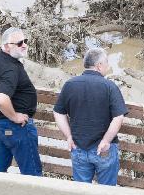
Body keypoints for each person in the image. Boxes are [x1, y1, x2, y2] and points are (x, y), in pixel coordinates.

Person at [53, 47, 128, 185]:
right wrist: (106, 141)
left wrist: (69, 136)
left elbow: (58, 112)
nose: (108, 66)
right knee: (107, 191)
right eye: (106, 62)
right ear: (99, 65)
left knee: (82, 191)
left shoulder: (70, 84)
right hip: (104, 149)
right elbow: (118, 117)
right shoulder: (109, 86)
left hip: (78, 147)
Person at [0, 27, 43, 175]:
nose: (24, 45)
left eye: (25, 41)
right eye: (19, 43)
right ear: (6, 46)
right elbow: (1, 98)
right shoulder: (11, 69)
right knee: (33, 175)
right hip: (15, 128)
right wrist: (15, 117)